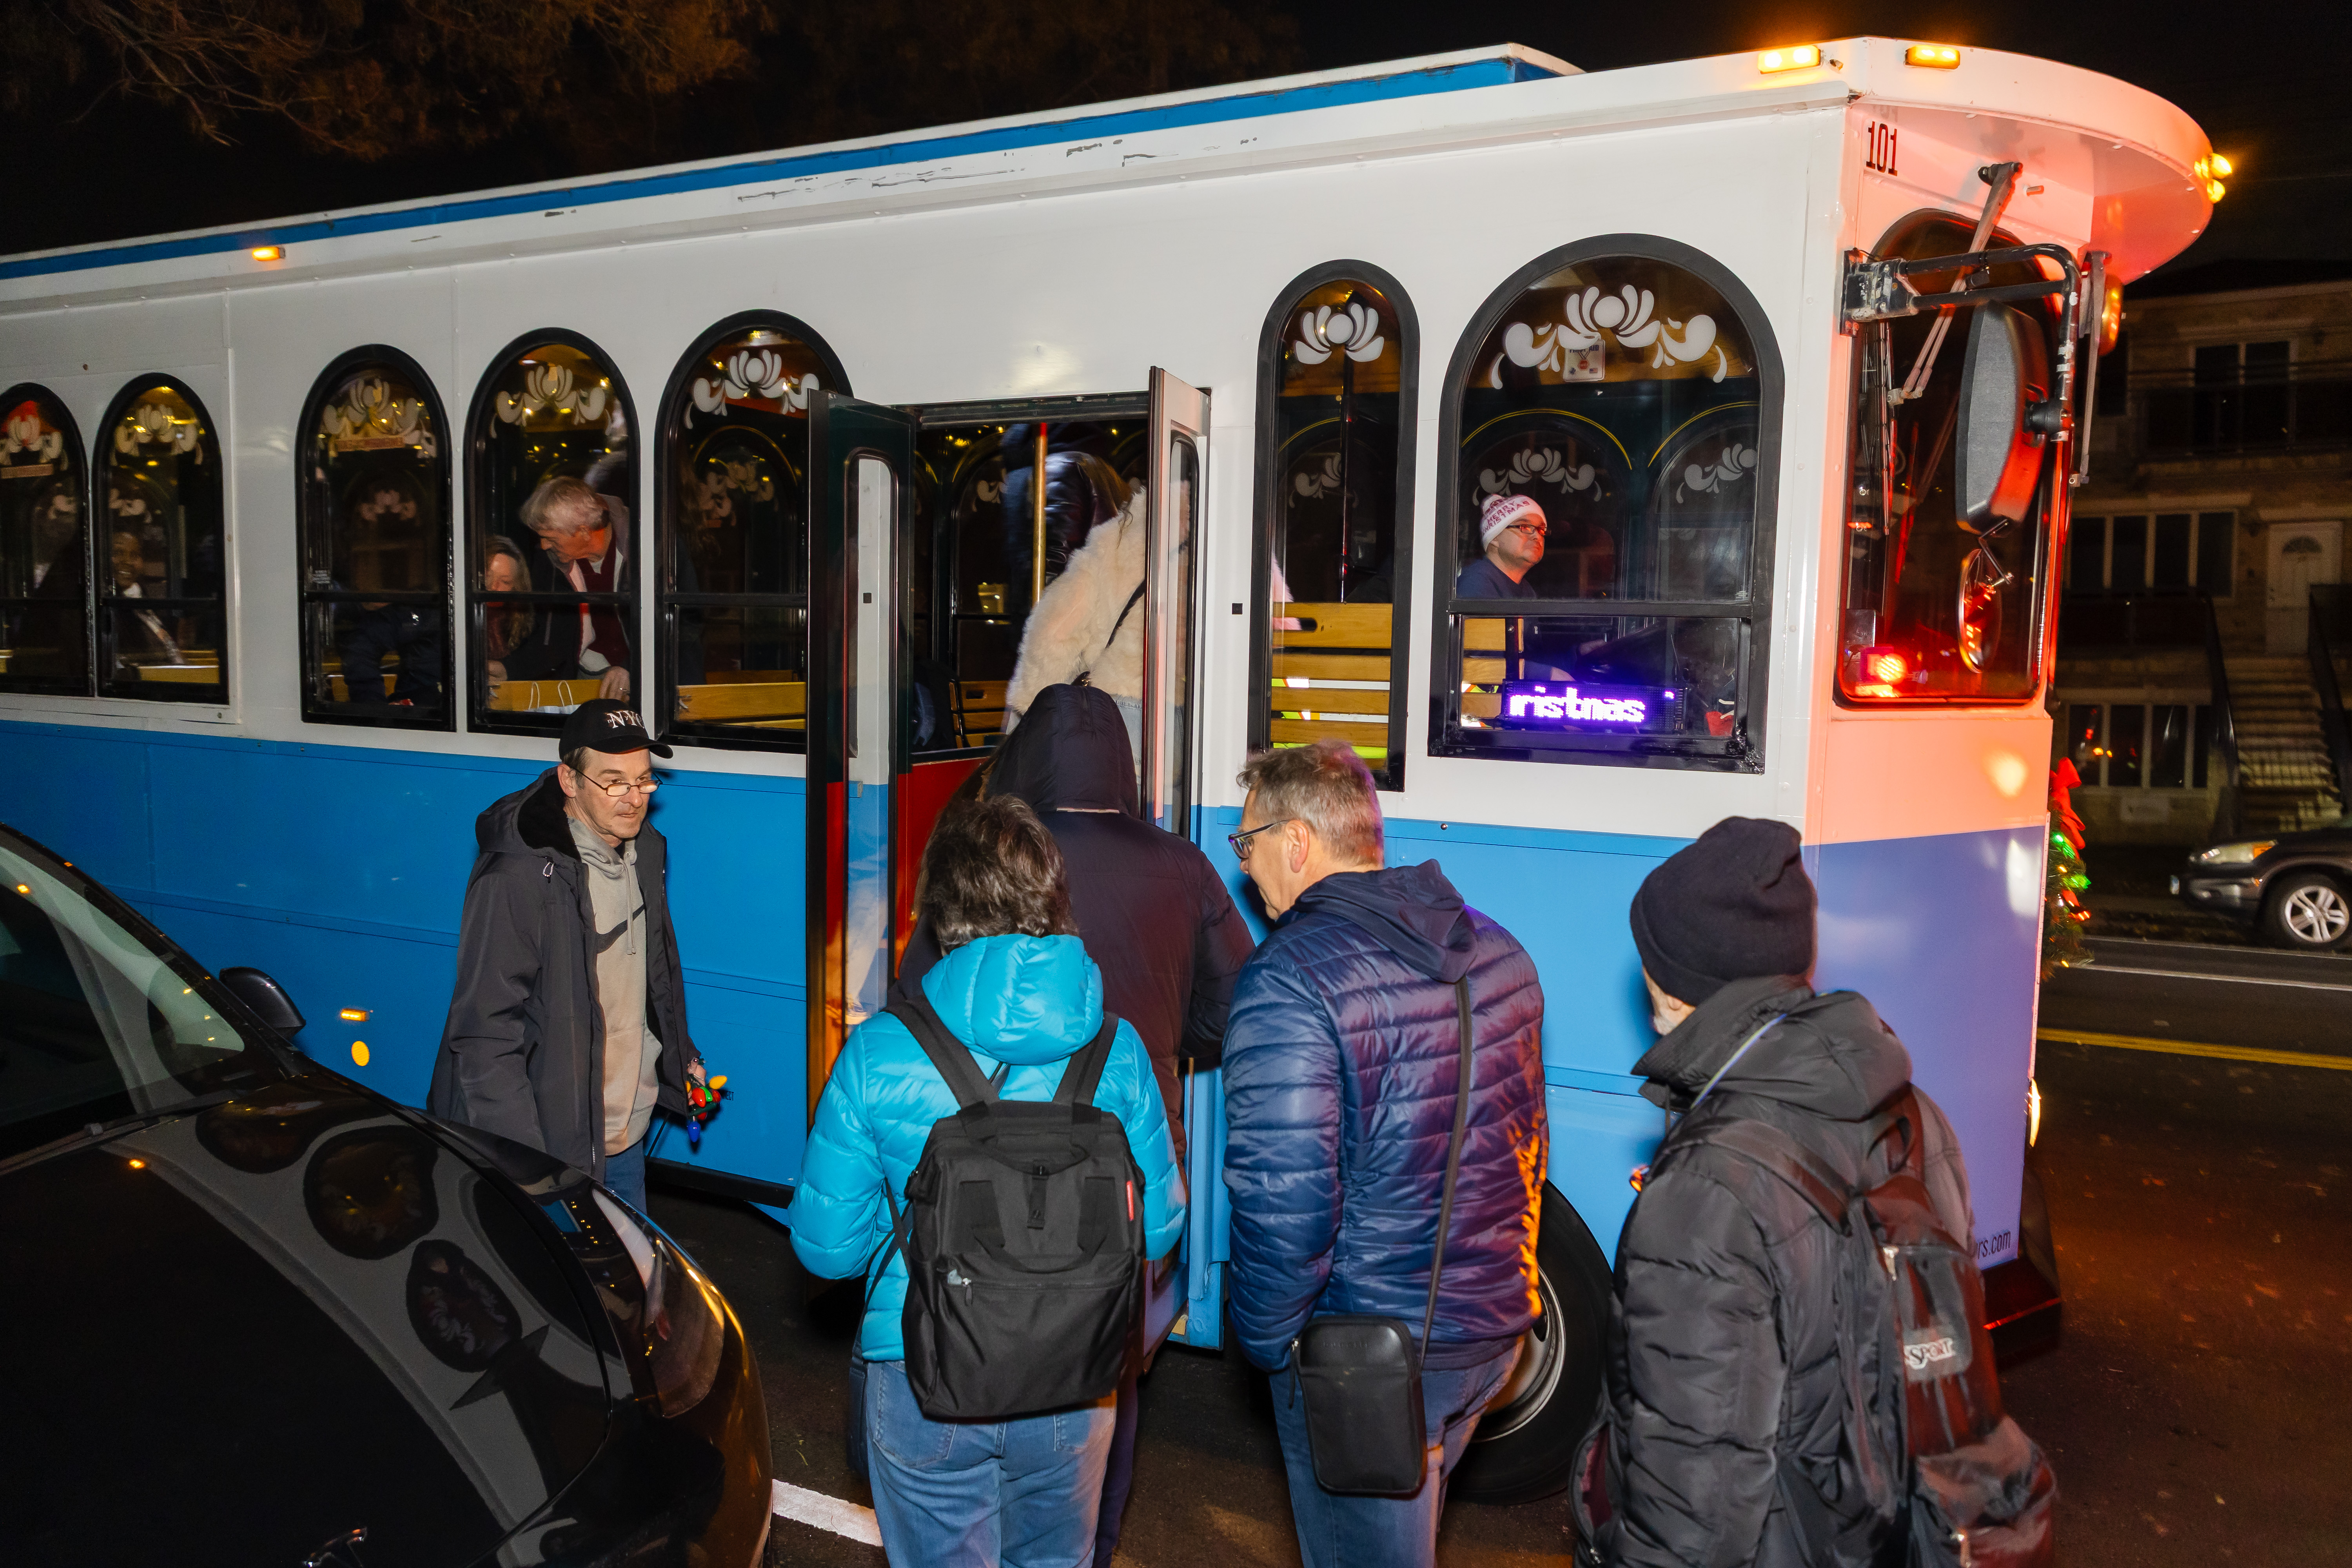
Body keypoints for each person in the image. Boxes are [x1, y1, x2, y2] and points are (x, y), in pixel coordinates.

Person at [898, 681, 1256, 1568]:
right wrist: (1168, 1033)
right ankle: (1085, 1544)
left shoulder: (992, 861)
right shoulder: (1184, 864)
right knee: (1105, 1375)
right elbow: (1237, 1006)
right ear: (1124, 764)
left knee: (967, 1347)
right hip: (1122, 1172)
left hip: (977, 1170)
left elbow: (915, 1001)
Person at [790, 795, 1186, 1568]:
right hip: (1076, 1377)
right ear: (1050, 896)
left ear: (944, 908)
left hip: (924, 1371)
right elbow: (1163, 1227)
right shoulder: (1117, 1046)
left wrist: (915, 1225)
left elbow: (827, 1252)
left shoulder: (881, 1050)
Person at [1591, 816, 1975, 1568]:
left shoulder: (1706, 1193)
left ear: (1672, 979)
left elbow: (1694, 1515)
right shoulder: (1914, 1112)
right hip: (1886, 1529)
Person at [1221, 739, 1547, 1568]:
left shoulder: (1289, 976)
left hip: (1366, 1358)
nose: (1245, 864)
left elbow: (1284, 1201)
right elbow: (1525, 1144)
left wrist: (1263, 1341)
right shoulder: (1501, 950)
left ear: (1297, 842)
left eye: (1246, 840)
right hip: (1489, 1334)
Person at [427, 699, 706, 1210]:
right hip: (555, 1149)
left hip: (624, 1134)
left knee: (631, 1287)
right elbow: (485, 1031)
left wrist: (679, 1054)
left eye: (644, 781)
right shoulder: (521, 874)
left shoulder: (643, 850)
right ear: (569, 779)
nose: (634, 799)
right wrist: (530, 1166)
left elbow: (651, 973)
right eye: (614, 782)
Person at [1004, 489, 1146, 762]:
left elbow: (1054, 635)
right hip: (1191, 725)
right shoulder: (1213, 537)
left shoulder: (1115, 544)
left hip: (1121, 715)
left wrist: (1029, 706)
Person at [506, 475, 634, 700]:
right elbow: (550, 637)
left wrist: (633, 666)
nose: (544, 546)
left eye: (551, 538)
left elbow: (683, 622)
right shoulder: (551, 560)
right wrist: (509, 669)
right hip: (588, 675)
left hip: (649, 672)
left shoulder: (652, 544)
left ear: (585, 533)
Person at [1454, 492, 1545, 599]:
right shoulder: (1477, 583)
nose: (1538, 537)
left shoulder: (1527, 590)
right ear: (1495, 538)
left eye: (1541, 530)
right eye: (1525, 527)